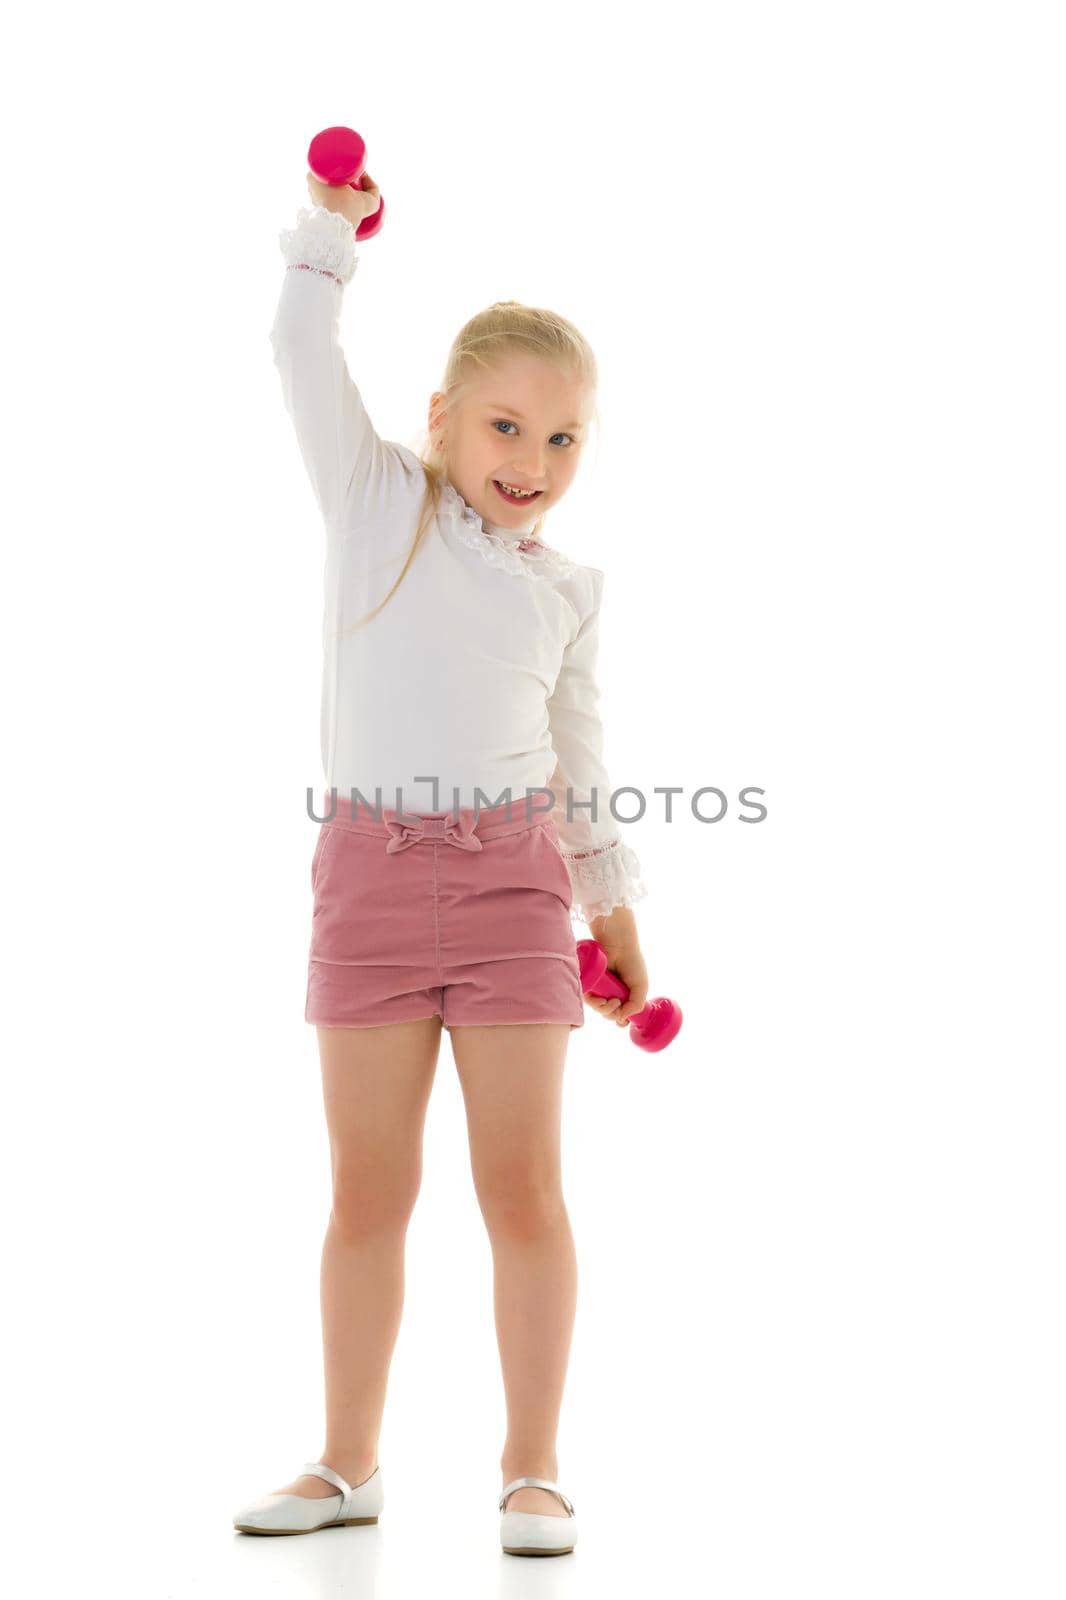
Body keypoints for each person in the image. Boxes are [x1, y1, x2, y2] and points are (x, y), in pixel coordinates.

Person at [232, 168, 650, 1557]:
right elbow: (299, 347)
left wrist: (614, 907)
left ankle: (532, 1466)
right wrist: (329, 235)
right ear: (440, 420)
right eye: (507, 424)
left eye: (566, 437)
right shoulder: (375, 506)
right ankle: (346, 1461)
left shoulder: (566, 592)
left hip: (514, 887)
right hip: (362, 879)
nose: (532, 458)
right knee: (368, 1188)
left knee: (521, 1186)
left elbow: (578, 756)